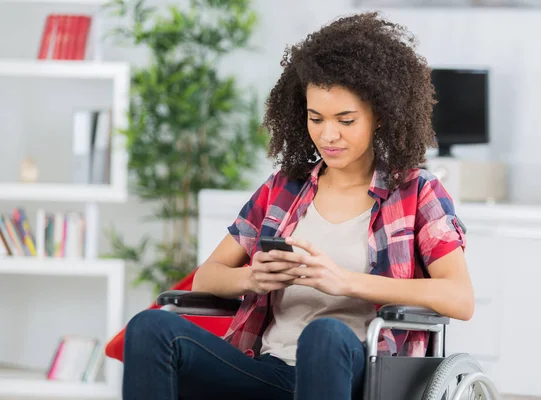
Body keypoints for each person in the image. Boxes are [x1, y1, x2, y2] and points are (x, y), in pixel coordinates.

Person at [122, 11, 474, 400]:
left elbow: (459, 298)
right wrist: (252, 278)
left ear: (379, 116)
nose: (329, 134)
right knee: (149, 328)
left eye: (346, 119)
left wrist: (346, 282)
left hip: (361, 371)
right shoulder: (282, 189)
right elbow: (208, 277)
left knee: (323, 336)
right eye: (316, 118)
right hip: (270, 369)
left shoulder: (416, 191)